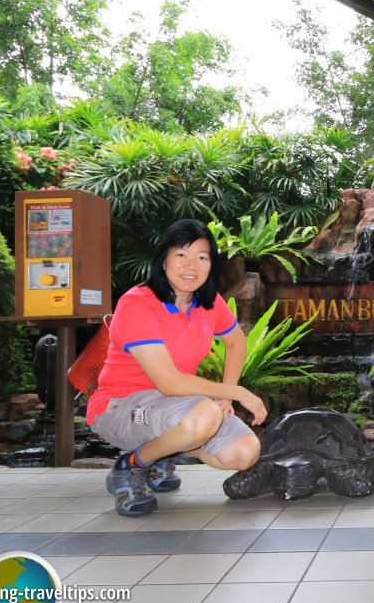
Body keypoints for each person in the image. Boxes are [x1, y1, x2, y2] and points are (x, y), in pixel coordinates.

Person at [87, 219, 268, 517]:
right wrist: (234, 391)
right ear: (163, 260)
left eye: (202, 257)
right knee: (204, 415)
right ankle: (131, 467)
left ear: (211, 265)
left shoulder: (208, 303)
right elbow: (169, 383)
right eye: (181, 255)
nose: (191, 266)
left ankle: (164, 450)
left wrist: (225, 397)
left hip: (174, 405)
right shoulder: (138, 303)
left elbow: (236, 343)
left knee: (245, 453)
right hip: (119, 405)